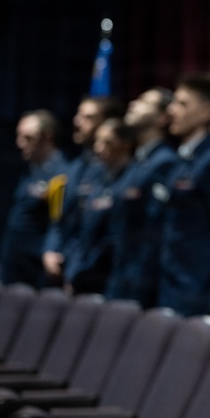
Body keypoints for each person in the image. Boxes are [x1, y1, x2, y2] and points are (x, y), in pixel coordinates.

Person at [155, 73, 210, 316]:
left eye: (183, 104)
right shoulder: (181, 157)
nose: (173, 111)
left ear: (207, 111)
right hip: (169, 280)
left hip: (194, 286)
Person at [104, 87, 178, 306]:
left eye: (145, 102)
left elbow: (152, 232)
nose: (133, 104)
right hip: (121, 271)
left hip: (139, 280)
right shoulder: (139, 160)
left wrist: (139, 285)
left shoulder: (164, 161)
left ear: (162, 118)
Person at [42, 94, 124, 285]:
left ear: (107, 123)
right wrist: (50, 249)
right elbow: (60, 218)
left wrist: (76, 270)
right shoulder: (75, 167)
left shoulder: (113, 170)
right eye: (79, 115)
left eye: (88, 118)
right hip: (63, 267)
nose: (77, 122)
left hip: (93, 275)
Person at [62, 117, 136, 295]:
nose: (98, 148)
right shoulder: (96, 175)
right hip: (84, 270)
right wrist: (73, 270)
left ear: (125, 145)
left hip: (111, 274)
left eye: (107, 142)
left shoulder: (133, 179)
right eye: (98, 141)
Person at [0, 110, 68, 286]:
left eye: (28, 138)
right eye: (19, 136)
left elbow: (58, 222)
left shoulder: (61, 174)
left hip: (35, 269)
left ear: (47, 136)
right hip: (15, 263)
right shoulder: (31, 170)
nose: (20, 143)